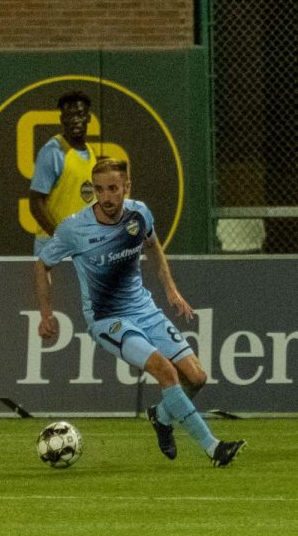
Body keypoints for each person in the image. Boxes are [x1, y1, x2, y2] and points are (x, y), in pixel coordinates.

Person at [34, 158, 245, 467]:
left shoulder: (139, 214)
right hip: (108, 318)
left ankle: (161, 417)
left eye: (113, 189)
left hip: (144, 308)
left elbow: (153, 248)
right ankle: (214, 448)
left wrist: (171, 290)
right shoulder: (74, 229)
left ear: (126, 187)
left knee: (196, 377)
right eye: (99, 189)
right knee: (166, 371)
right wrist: (46, 313)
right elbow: (42, 264)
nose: (106, 197)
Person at [29, 91, 98, 258]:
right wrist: (60, 239)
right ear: (62, 119)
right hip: (54, 246)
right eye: (69, 115)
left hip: (82, 247)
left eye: (80, 114)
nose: (75, 120)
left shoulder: (90, 153)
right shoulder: (52, 152)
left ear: (88, 118)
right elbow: (35, 203)